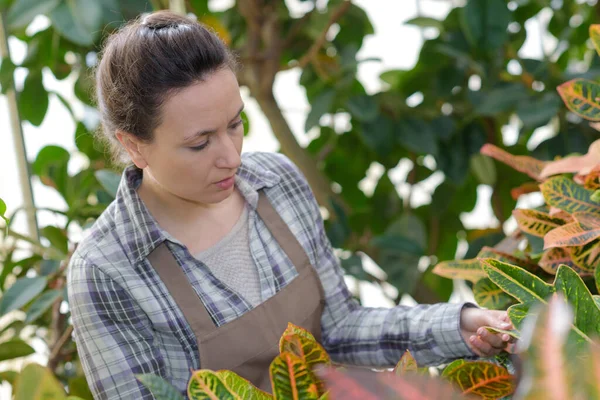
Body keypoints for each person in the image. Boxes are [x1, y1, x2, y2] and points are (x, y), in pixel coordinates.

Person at [67, 10, 514, 399]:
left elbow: (338, 330)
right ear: (134, 146)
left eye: (235, 124)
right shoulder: (106, 270)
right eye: (200, 143)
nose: (232, 156)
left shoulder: (276, 183)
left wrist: (459, 324)